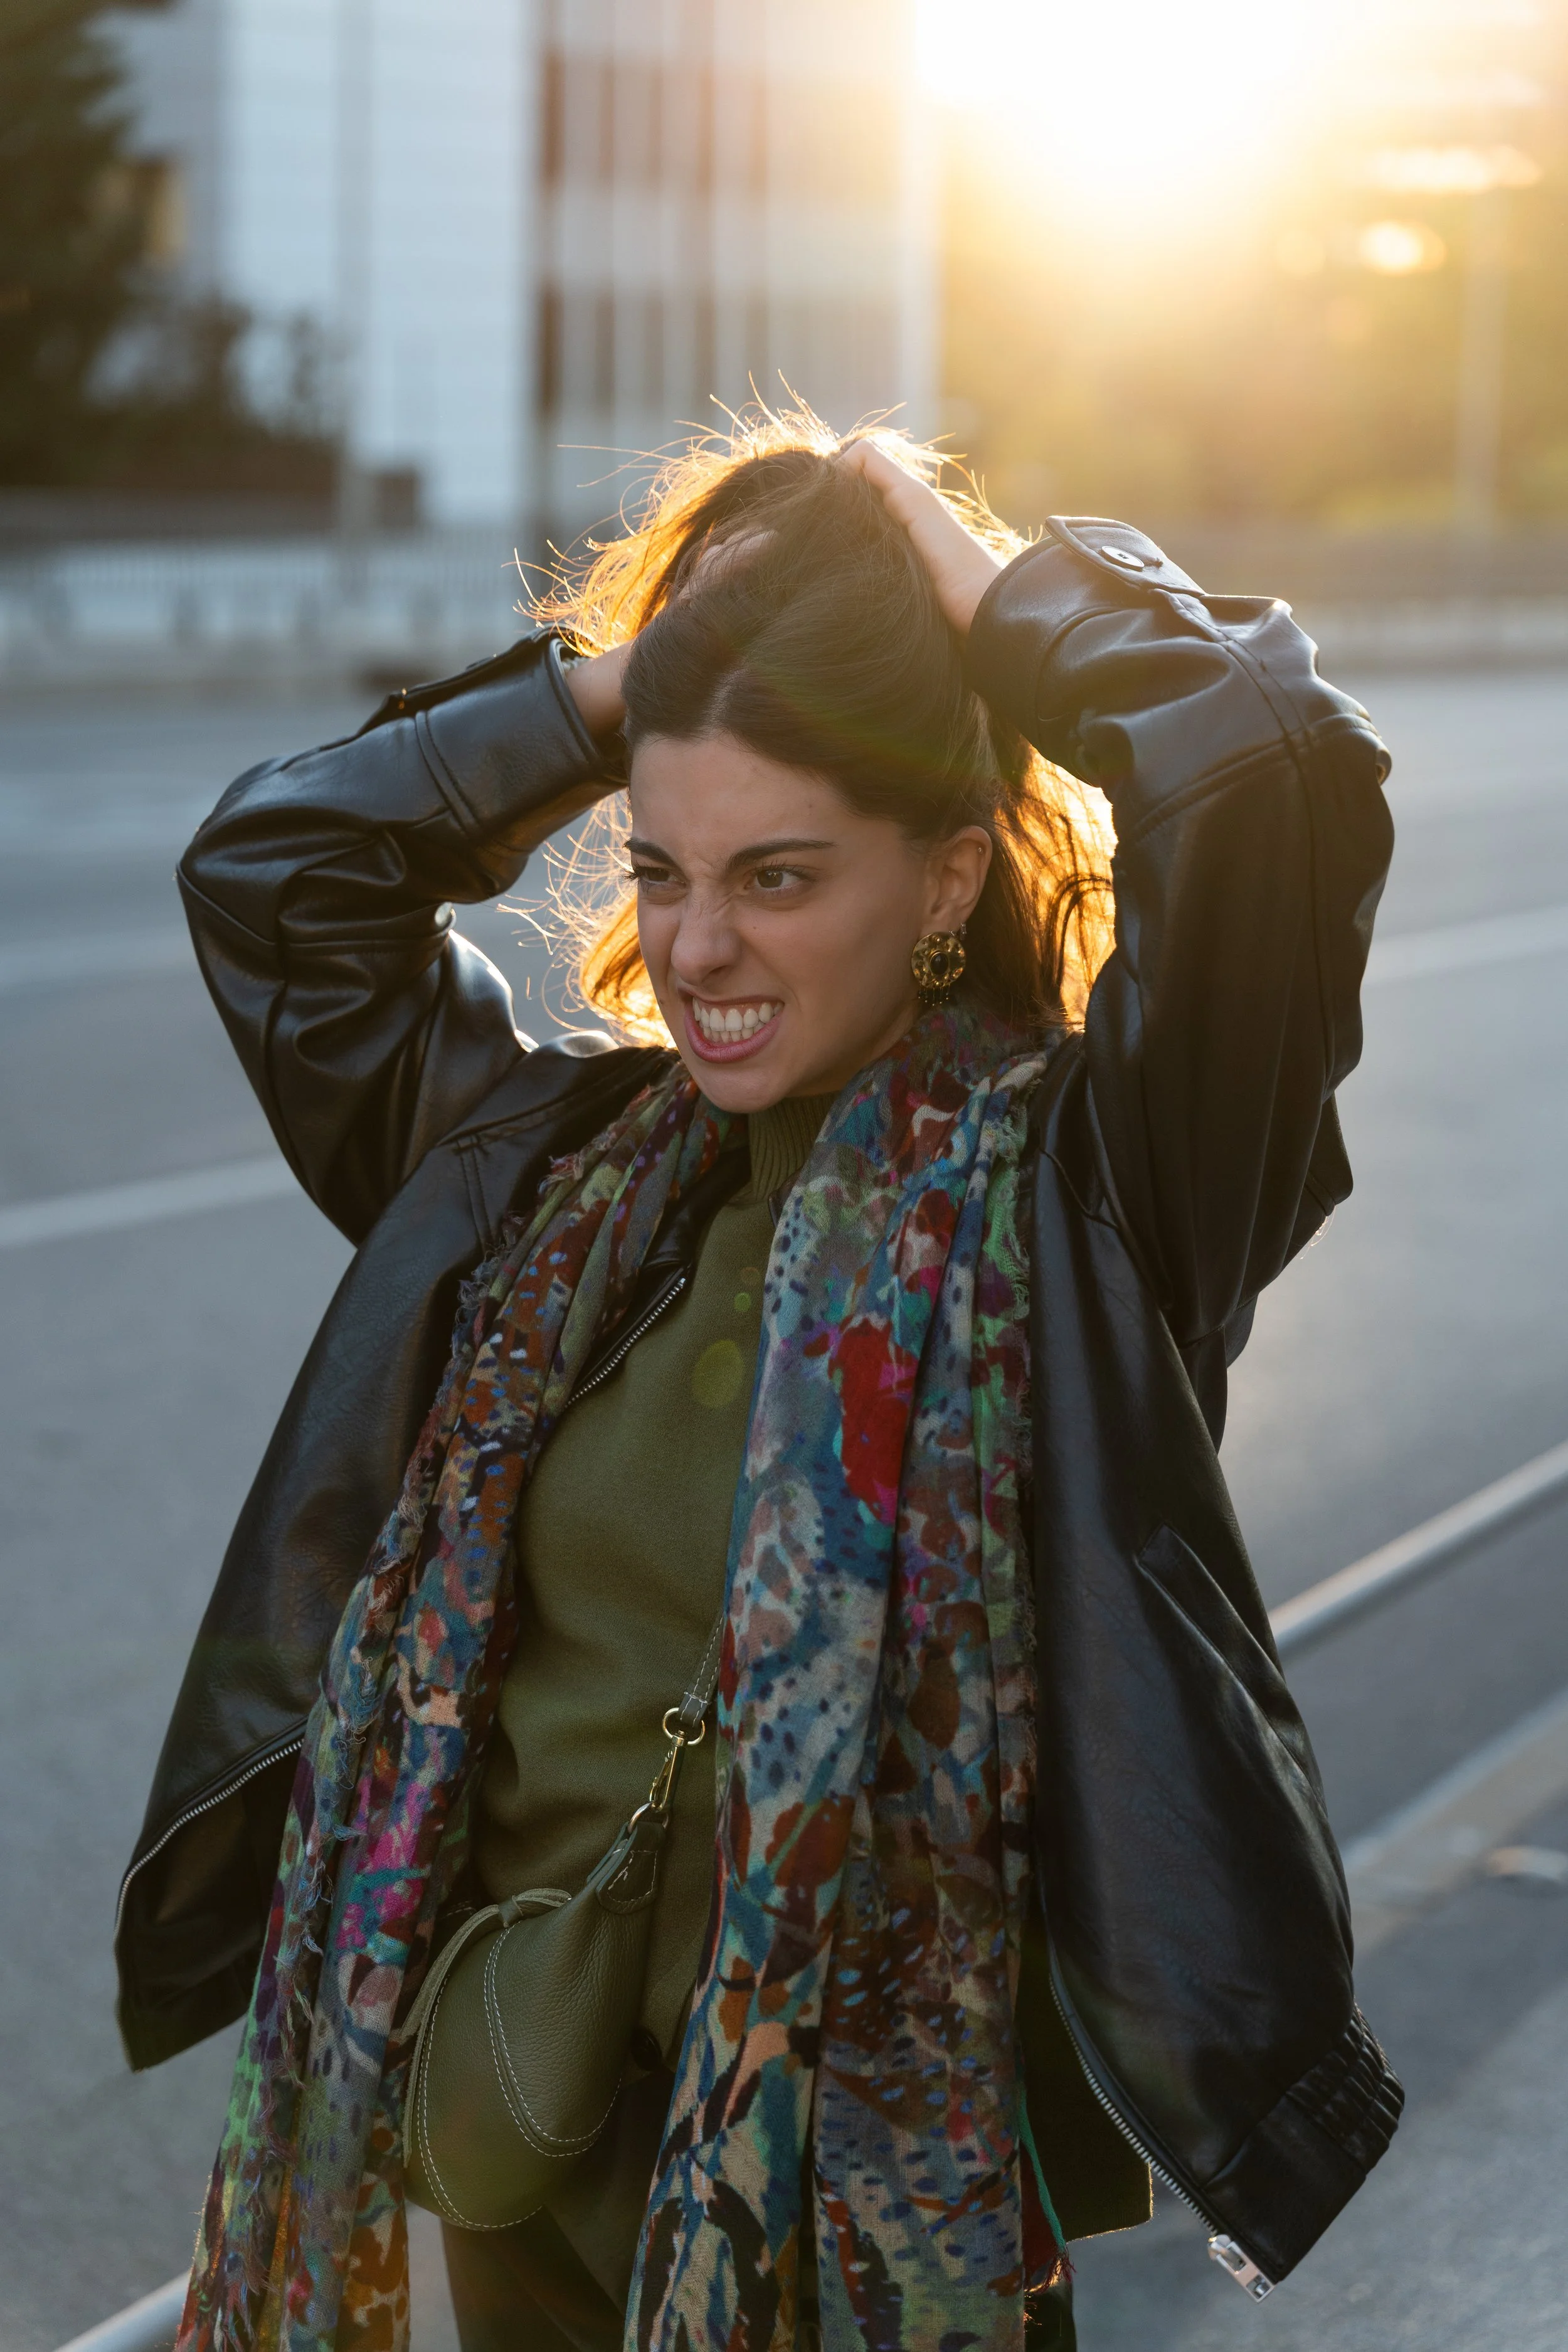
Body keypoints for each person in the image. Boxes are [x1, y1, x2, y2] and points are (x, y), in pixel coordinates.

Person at [117, 411, 1402, 2352]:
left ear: (950, 867)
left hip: (869, 2215)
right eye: (661, 866)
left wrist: (1003, 604)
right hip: (518, 2136)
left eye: (780, 876)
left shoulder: (1090, 1201)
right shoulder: (535, 1179)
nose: (697, 947)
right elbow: (280, 873)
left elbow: (1264, 781)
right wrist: (638, 679)